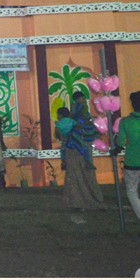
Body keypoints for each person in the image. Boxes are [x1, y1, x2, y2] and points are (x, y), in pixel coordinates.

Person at [59, 92, 105, 223]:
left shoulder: (83, 117)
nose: (83, 101)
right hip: (75, 149)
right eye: (80, 99)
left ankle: (86, 201)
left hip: (81, 148)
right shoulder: (76, 117)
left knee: (83, 174)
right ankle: (78, 202)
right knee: (79, 175)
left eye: (84, 99)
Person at [115, 90, 140, 221]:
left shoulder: (125, 122)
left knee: (131, 191)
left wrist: (114, 151)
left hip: (132, 163)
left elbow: (120, 143)